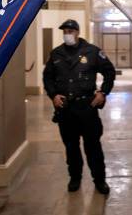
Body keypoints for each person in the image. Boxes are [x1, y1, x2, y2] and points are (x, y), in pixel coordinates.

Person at [43, 19, 116, 194]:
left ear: (77, 32)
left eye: (70, 30)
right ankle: (75, 178)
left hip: (87, 108)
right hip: (66, 110)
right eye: (65, 31)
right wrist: (53, 95)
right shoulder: (56, 54)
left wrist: (103, 92)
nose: (67, 34)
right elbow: (48, 78)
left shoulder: (92, 51)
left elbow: (109, 72)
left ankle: (100, 180)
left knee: (93, 147)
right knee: (71, 147)